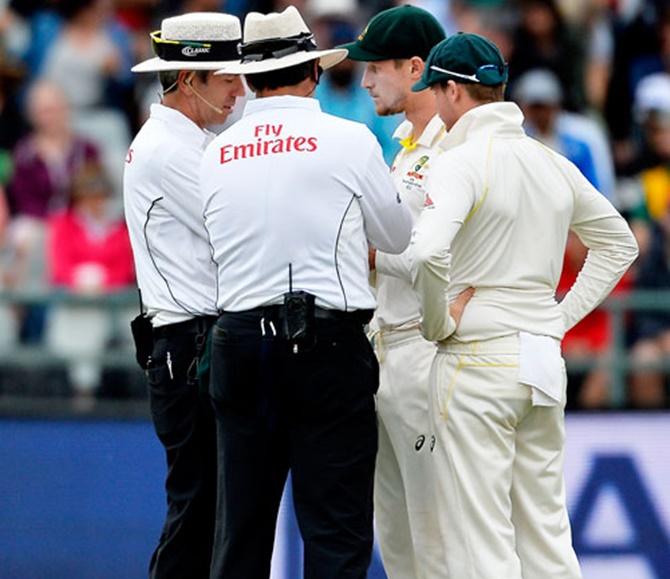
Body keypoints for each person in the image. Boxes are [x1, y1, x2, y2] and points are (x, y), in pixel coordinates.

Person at [410, 33, 638, 579]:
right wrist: (555, 319)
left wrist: (437, 321)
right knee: (546, 536)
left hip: (477, 358)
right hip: (539, 357)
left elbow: (426, 250)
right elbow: (620, 244)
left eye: (436, 92)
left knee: (481, 539)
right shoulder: (549, 160)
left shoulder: (460, 161)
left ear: (455, 92)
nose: (435, 106)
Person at [199, 6, 412, 578]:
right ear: (313, 72)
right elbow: (396, 235)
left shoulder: (214, 151)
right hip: (326, 342)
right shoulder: (349, 139)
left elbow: (209, 246)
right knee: (335, 530)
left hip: (240, 338)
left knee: (241, 531)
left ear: (246, 79)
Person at [122, 12, 245, 579]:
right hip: (187, 343)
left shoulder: (182, 142)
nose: (239, 91)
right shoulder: (171, 150)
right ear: (191, 79)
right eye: (228, 79)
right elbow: (239, 228)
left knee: (206, 508)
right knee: (199, 508)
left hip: (189, 341)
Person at [338, 5, 447, 578]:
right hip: (383, 351)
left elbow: (449, 259)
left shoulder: (454, 150)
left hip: (424, 354)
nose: (364, 81)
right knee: (396, 537)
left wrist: (375, 252)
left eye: (374, 67)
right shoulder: (404, 147)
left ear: (414, 67)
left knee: (435, 536)